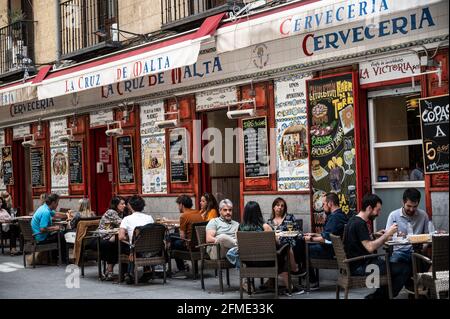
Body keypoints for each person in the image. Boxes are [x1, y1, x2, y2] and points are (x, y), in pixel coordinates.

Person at [343, 194, 411, 299]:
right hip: (362, 267)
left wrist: (374, 235)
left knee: (396, 266)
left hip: (356, 264)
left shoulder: (353, 220)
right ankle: (378, 297)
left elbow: (359, 241)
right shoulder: (360, 224)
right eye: (378, 210)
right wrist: (386, 235)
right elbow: (370, 247)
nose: (379, 214)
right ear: (369, 208)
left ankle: (377, 296)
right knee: (404, 269)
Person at [297, 192, 348, 289]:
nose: (323, 206)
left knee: (302, 248)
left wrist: (311, 238)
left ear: (330, 203)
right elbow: (329, 234)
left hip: (331, 251)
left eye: (324, 204)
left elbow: (327, 239)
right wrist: (315, 234)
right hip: (333, 248)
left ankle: (311, 280)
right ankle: (304, 273)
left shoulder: (335, 217)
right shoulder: (339, 214)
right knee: (302, 244)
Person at [118, 195, 154, 284]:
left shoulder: (126, 219)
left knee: (127, 246)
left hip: (136, 250)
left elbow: (121, 237)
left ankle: (128, 273)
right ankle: (147, 270)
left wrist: (130, 237)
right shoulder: (149, 218)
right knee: (136, 245)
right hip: (152, 249)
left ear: (130, 206)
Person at [170, 195, 204, 274]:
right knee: (172, 238)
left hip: (189, 245)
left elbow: (182, 237)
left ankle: (181, 268)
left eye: (178, 205)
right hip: (200, 244)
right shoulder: (198, 213)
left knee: (172, 242)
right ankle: (183, 267)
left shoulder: (184, 216)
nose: (178, 207)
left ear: (181, 204)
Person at [267, 197, 301, 275]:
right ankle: (272, 279)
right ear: (273, 207)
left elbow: (297, 231)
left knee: (287, 245)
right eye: (278, 205)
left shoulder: (289, 217)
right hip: (276, 244)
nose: (280, 207)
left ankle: (293, 268)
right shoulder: (270, 222)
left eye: (282, 206)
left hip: (289, 242)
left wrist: (284, 234)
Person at [31, 193, 68, 263]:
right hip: (41, 239)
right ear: (53, 203)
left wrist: (67, 215)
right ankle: (64, 259)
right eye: (57, 202)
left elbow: (56, 214)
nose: (58, 204)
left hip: (37, 236)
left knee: (58, 234)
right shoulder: (46, 212)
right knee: (61, 235)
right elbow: (42, 229)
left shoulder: (44, 207)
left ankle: (55, 257)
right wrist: (55, 228)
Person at [98, 196, 126, 281]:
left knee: (119, 242)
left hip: (111, 236)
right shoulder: (111, 212)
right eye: (122, 204)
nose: (124, 205)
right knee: (116, 243)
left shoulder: (119, 212)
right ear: (116, 205)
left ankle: (110, 271)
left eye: (124, 204)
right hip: (102, 237)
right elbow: (123, 223)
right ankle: (110, 271)